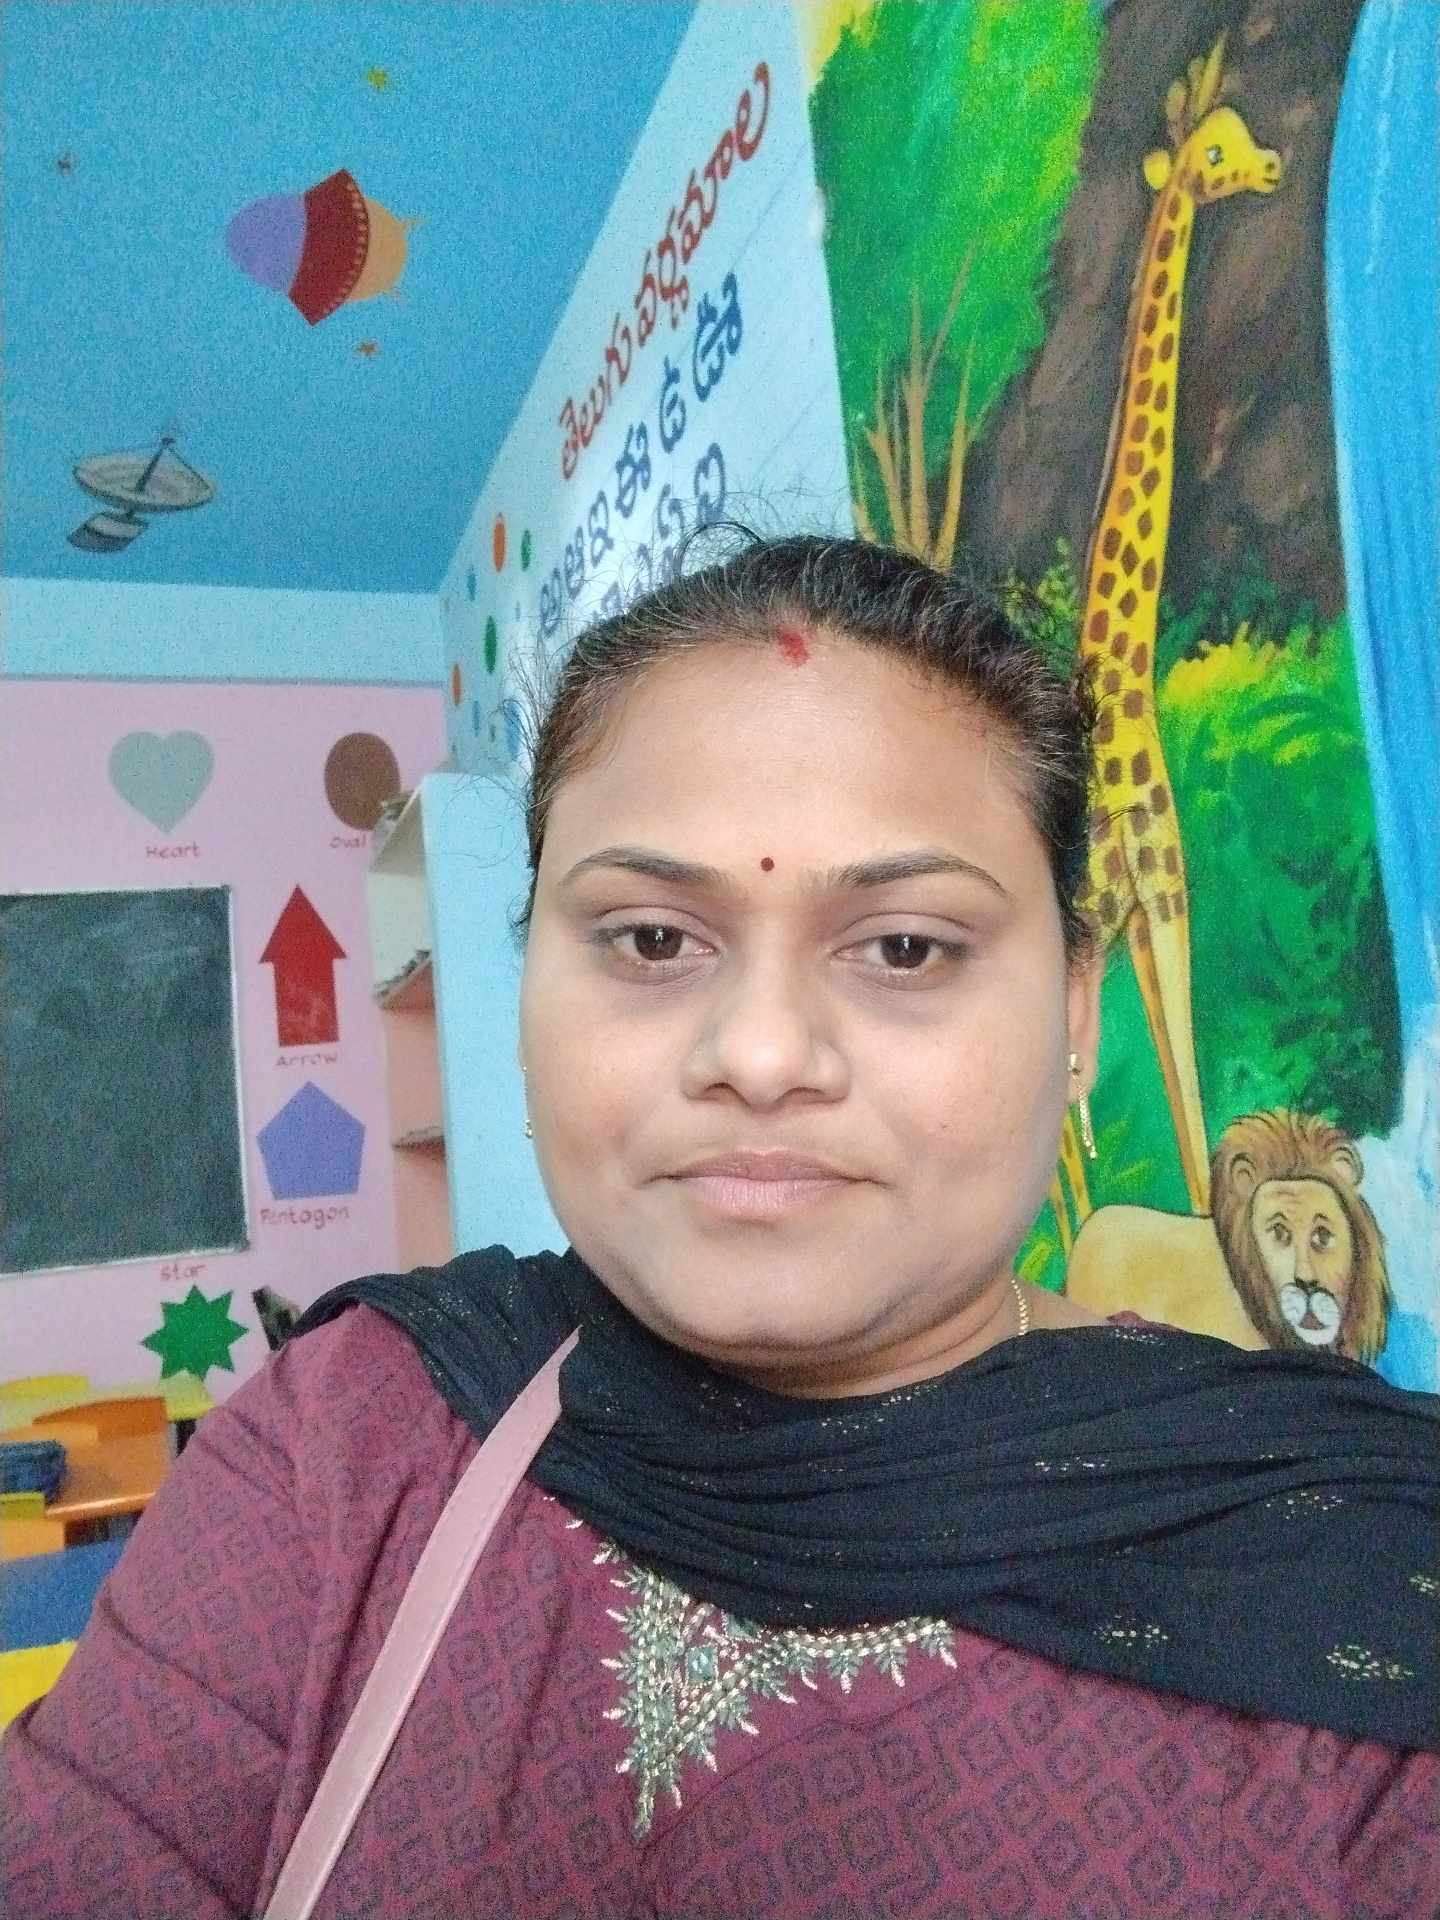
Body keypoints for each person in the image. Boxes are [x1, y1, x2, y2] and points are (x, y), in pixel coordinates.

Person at [4, 534, 1437, 1920]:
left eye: (905, 946)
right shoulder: (351, 1440)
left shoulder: (1354, 1556)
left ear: (1075, 1011)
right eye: (650, 939)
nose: (758, 1054)